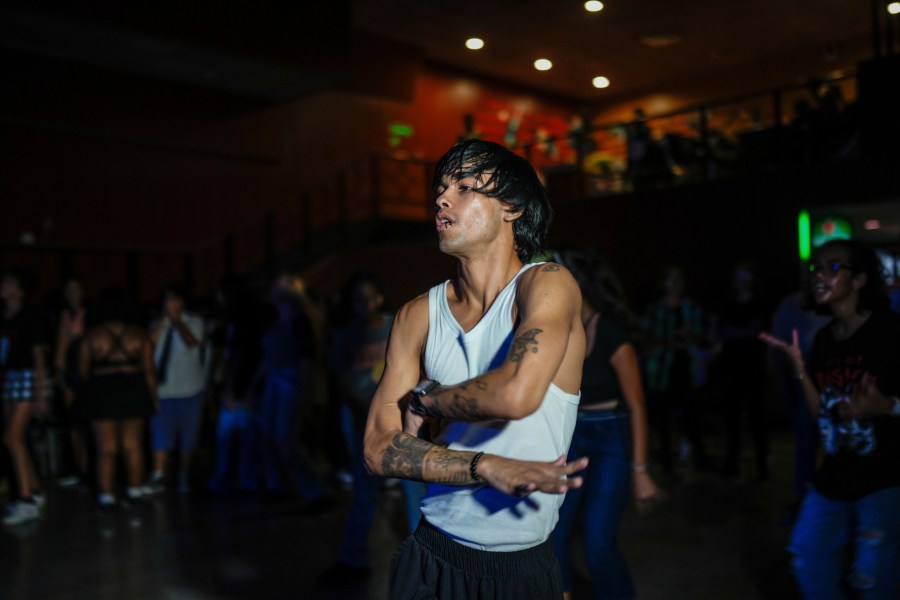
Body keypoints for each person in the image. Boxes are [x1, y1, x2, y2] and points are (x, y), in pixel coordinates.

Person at [363, 139, 588, 599]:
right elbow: (377, 448)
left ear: (512, 208)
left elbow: (515, 394)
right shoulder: (416, 315)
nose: (442, 199)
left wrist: (426, 399)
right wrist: (484, 467)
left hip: (519, 571)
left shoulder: (548, 284)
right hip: (430, 556)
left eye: (465, 186)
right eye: (441, 188)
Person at [760, 239, 900, 599]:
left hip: (884, 479)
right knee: (808, 556)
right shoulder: (824, 339)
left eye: (833, 268)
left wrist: (885, 406)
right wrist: (800, 370)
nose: (819, 276)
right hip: (835, 474)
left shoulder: (890, 332)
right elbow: (821, 413)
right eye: (815, 269)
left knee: (872, 579)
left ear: (859, 281)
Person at [551, 248, 662, 600]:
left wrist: (640, 470)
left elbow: (637, 404)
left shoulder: (611, 333)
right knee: (552, 532)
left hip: (611, 435)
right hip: (574, 434)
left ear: (576, 283)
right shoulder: (563, 331)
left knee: (598, 542)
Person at [76, 287, 156, 512]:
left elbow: (83, 372)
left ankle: (107, 496)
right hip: (133, 388)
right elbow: (149, 370)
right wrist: (153, 397)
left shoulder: (93, 335)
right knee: (133, 445)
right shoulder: (139, 334)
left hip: (103, 389)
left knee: (105, 448)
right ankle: (134, 490)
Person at [641, 266, 710, 478]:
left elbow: (703, 338)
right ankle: (666, 463)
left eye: (677, 280)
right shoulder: (655, 310)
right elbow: (645, 338)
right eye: (670, 280)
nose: (674, 284)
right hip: (662, 370)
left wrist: (690, 336)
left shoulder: (691, 308)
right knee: (663, 419)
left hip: (686, 368)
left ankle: (698, 459)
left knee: (691, 416)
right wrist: (666, 342)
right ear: (663, 284)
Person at [710, 260, 770, 480]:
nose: (742, 281)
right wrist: (742, 333)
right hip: (731, 368)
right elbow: (718, 333)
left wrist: (737, 333)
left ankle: (761, 463)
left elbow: (760, 332)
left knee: (757, 417)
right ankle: (732, 460)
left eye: (746, 276)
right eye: (739, 276)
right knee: (732, 417)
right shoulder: (726, 304)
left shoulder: (761, 304)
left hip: (754, 367)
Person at [147, 285, 209, 493]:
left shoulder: (196, 321)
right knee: (160, 435)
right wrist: (164, 323)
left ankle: (184, 473)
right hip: (163, 391)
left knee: (187, 438)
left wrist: (178, 322)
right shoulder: (157, 323)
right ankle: (159, 475)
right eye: (167, 300)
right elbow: (149, 346)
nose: (171, 304)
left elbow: (192, 342)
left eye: (175, 300)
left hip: (190, 389)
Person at [1, 268, 48, 526]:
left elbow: (39, 356)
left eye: (8, 283)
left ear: (20, 290)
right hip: (9, 379)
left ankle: (26, 500)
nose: (3, 286)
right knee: (18, 439)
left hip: (27, 377)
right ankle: (35, 493)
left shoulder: (29, 317)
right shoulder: (4, 316)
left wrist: (41, 393)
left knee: (11, 438)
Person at [53, 278, 90, 488]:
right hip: (71, 373)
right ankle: (80, 469)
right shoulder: (65, 315)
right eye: (68, 290)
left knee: (88, 424)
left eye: (76, 289)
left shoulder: (91, 315)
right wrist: (60, 375)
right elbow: (61, 347)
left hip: (88, 375)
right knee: (74, 424)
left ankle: (91, 470)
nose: (72, 293)